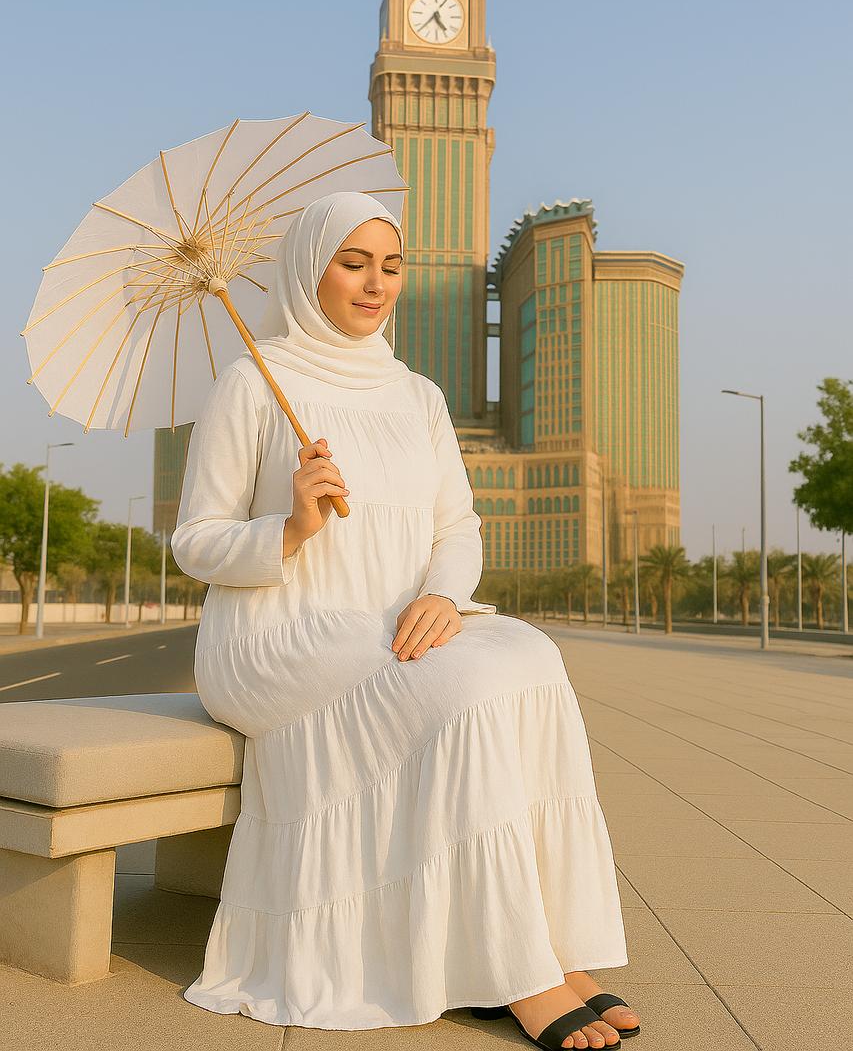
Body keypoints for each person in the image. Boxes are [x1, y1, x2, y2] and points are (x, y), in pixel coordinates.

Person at [171, 190, 640, 1048]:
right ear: (310, 270)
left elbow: (457, 530)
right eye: (352, 264)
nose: (374, 284)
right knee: (461, 689)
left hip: (393, 620)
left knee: (530, 658)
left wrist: (440, 595)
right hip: (278, 634)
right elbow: (195, 541)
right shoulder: (252, 380)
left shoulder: (416, 395)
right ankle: (518, 971)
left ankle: (545, 943)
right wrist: (291, 525)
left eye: (391, 266)